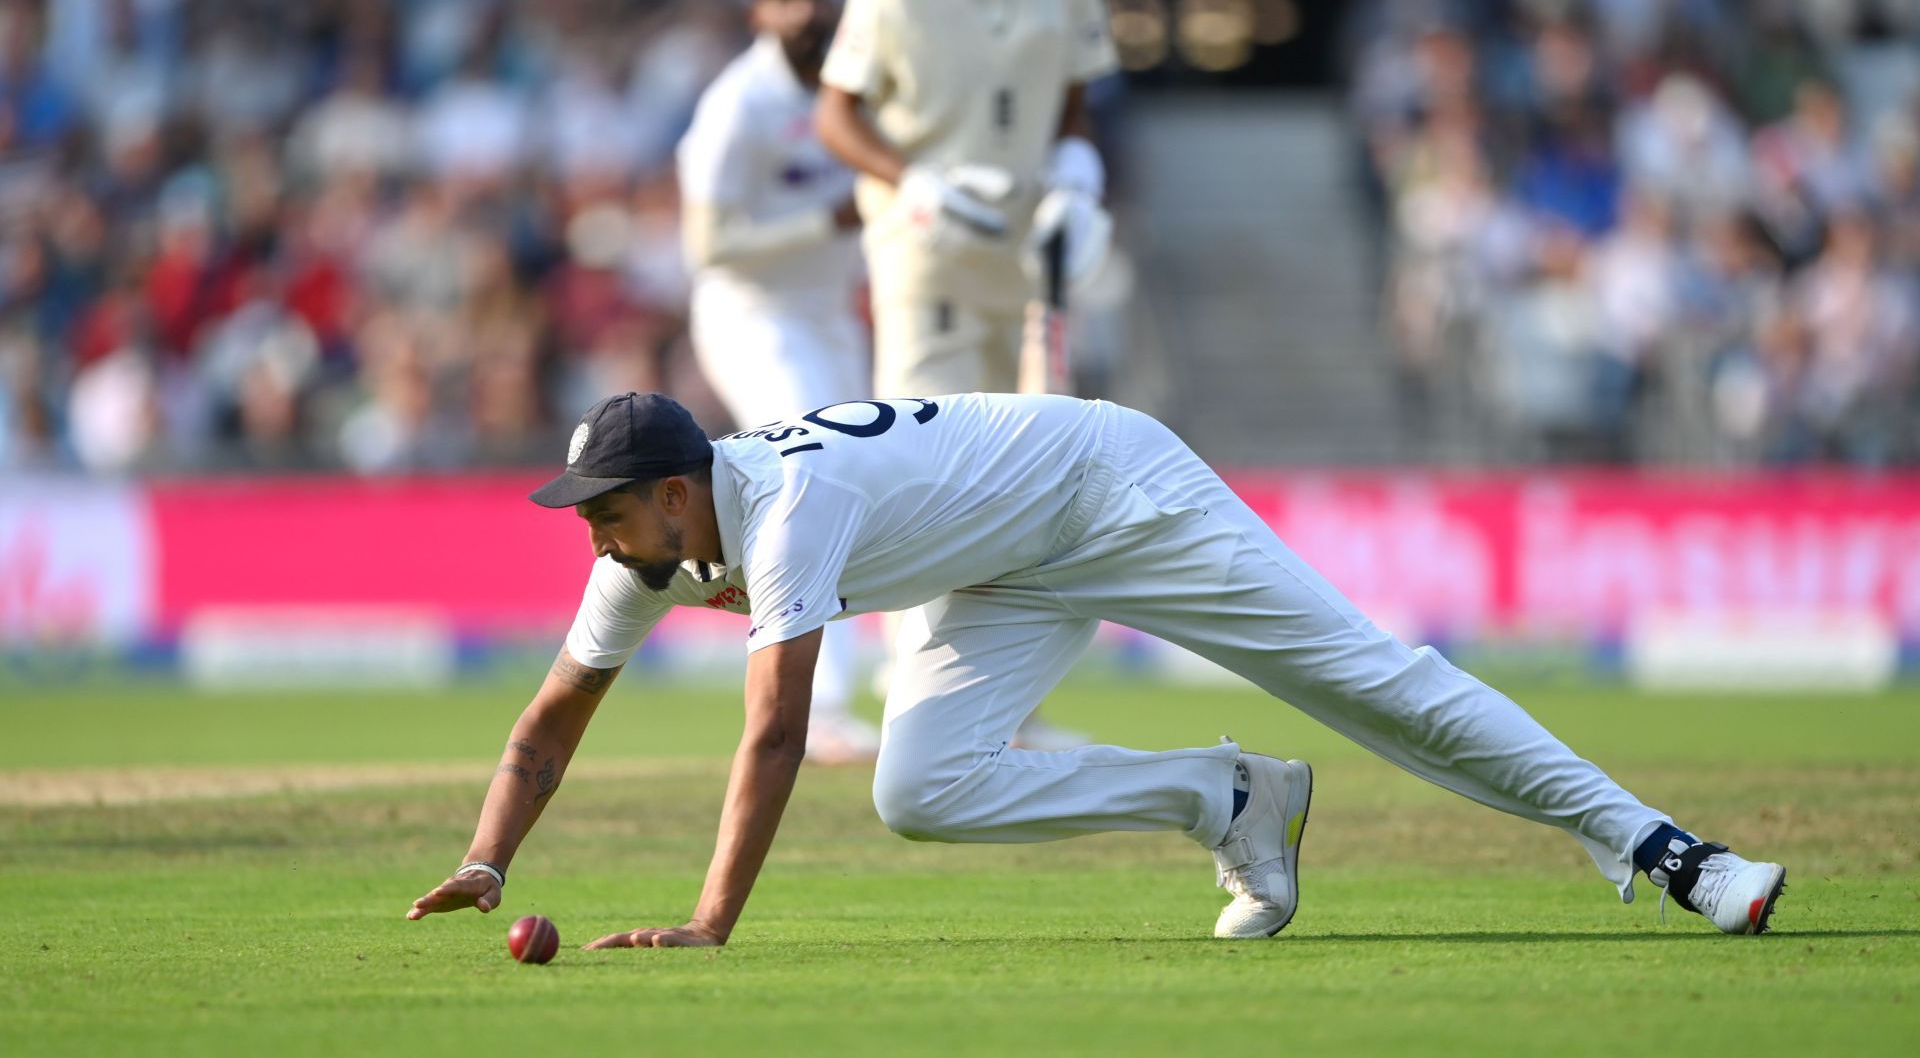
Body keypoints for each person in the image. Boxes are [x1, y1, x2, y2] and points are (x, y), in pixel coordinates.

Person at [406, 390, 1789, 945]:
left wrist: (711, 923)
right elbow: (551, 719)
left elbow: (773, 737)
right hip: (991, 567)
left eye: (604, 504)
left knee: (1369, 679)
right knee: (920, 786)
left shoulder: (787, 506)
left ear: (673, 488)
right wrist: (489, 858)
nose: (588, 530)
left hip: (1114, 493)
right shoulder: (647, 555)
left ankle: (1670, 852)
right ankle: (1230, 800)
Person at [814, 0, 1116, 399]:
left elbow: (1074, 107)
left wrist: (1077, 176)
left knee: (1031, 442)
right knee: (924, 433)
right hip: (926, 239)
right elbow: (835, 117)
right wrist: (913, 182)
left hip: (1029, 246)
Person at [676, 0, 878, 764]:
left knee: (866, 480)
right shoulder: (738, 104)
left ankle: (898, 680)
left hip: (830, 313)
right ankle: (813, 705)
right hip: (751, 316)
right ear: (758, 10)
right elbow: (708, 246)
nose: (805, 10)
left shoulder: (849, 83)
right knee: (807, 478)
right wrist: (827, 222)